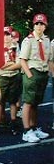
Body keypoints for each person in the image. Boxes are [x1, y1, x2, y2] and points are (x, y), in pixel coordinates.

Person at [19, 13, 53, 143]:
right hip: (32, 73)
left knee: (36, 103)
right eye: (37, 24)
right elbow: (22, 60)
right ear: (34, 25)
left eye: (42, 24)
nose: (39, 26)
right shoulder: (28, 40)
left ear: (45, 26)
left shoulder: (46, 40)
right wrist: (29, 75)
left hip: (43, 73)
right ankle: (26, 131)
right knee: (28, 102)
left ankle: (34, 128)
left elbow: (49, 59)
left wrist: (50, 72)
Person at [0, 26, 22, 135]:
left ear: (11, 36)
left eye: (8, 35)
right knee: (0, 101)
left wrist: (6, 66)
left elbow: (19, 63)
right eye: (4, 35)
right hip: (1, 77)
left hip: (14, 76)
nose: (6, 38)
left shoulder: (16, 46)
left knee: (13, 100)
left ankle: (13, 122)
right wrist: (10, 65)